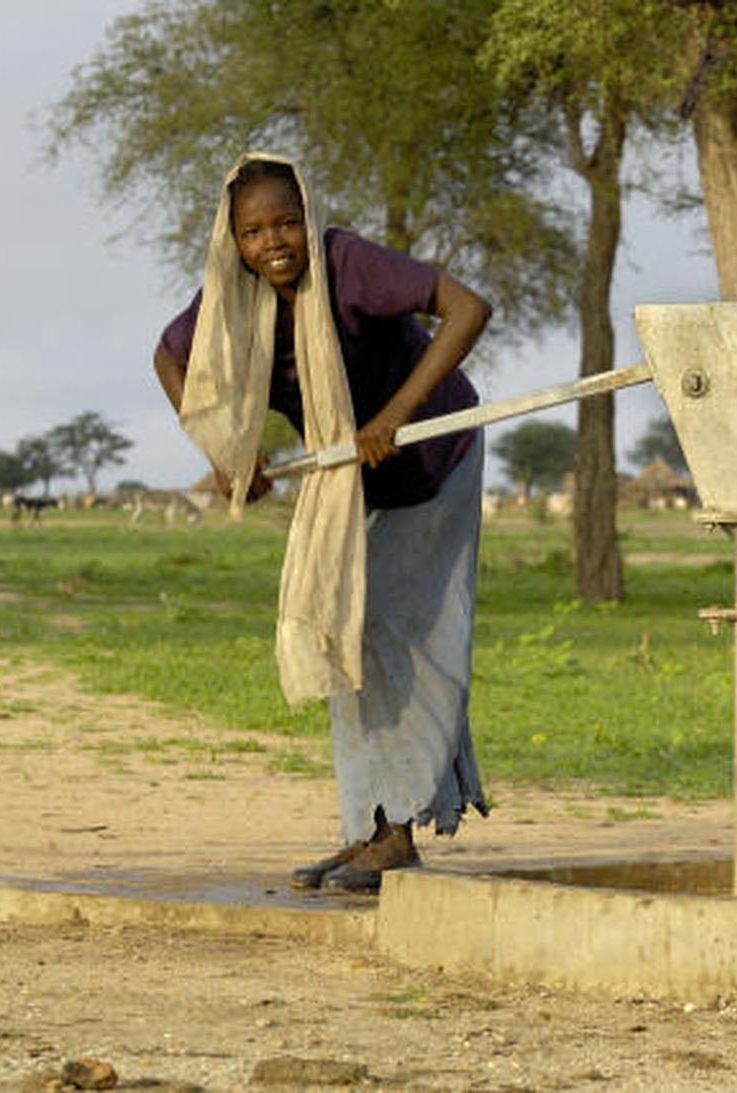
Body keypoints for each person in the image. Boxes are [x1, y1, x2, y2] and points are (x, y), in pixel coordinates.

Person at [153, 153, 493, 892]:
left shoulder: (346, 264)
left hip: (432, 454)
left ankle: (396, 834)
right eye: (253, 230)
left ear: (309, 216)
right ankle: (369, 828)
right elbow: (169, 356)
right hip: (349, 478)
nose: (272, 241)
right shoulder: (230, 296)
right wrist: (227, 453)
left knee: (397, 632)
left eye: (286, 222)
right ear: (233, 239)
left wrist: (394, 417)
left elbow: (468, 307)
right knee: (343, 634)